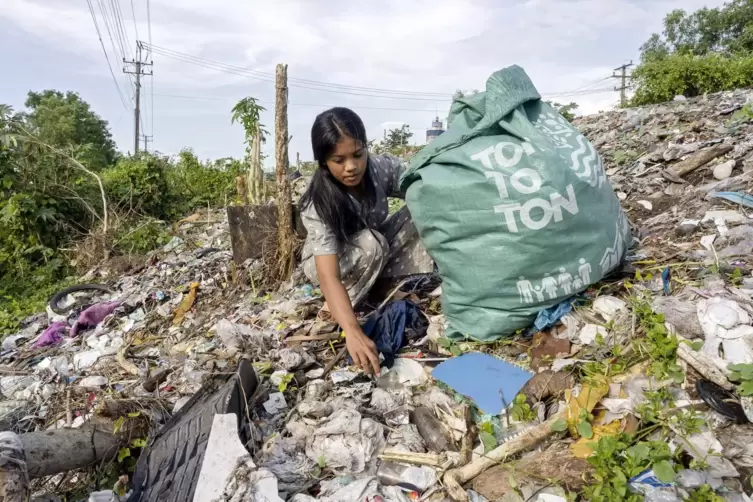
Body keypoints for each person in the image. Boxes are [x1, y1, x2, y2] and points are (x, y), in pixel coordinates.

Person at [300, 107, 433, 376]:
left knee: (423, 208)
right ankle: (338, 307)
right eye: (339, 160)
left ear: (366, 148)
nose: (351, 167)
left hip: (375, 249)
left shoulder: (379, 169)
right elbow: (328, 276)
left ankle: (378, 285)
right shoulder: (319, 203)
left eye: (358, 155)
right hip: (331, 265)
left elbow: (422, 185)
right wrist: (352, 331)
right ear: (324, 161)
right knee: (371, 244)